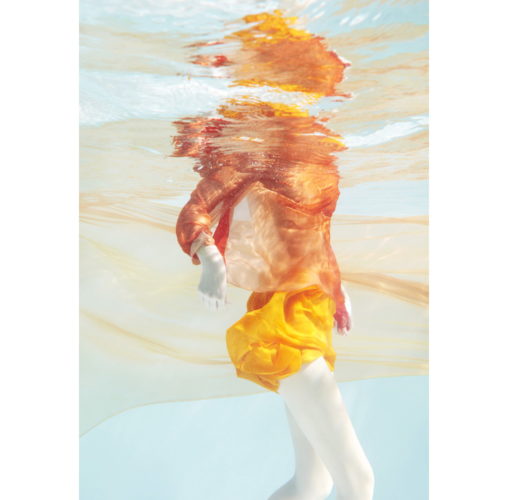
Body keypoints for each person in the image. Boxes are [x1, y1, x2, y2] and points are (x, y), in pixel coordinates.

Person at [174, 11, 375, 500]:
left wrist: (336, 288)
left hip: (311, 313)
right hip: (282, 325)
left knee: (314, 483)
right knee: (358, 483)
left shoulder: (317, 144)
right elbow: (195, 211)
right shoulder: (251, 144)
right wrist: (211, 261)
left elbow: (316, 232)